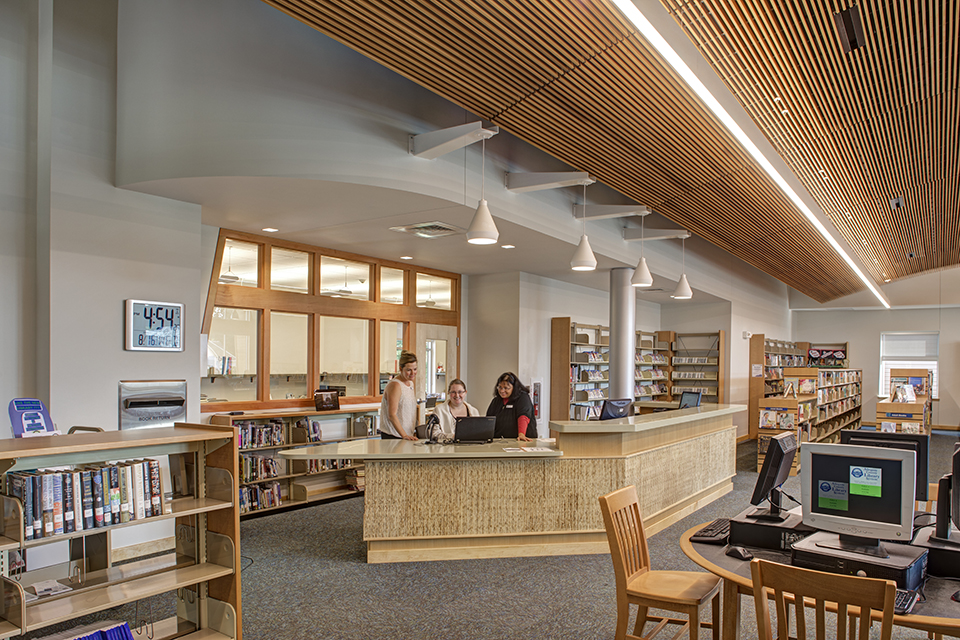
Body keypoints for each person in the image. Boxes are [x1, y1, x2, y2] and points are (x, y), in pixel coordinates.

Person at [485, 372, 537, 441]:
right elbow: (489, 420)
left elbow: (523, 416)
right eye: (500, 387)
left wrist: (521, 434)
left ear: (514, 388)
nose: (502, 391)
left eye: (506, 388)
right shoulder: (496, 401)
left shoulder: (523, 397)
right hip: (500, 441)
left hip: (520, 440)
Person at [378, 351, 418, 440]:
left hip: (406, 434)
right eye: (408, 370)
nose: (412, 373)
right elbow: (392, 415)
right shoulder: (395, 385)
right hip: (393, 435)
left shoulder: (410, 384)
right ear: (400, 368)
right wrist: (404, 435)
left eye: (415, 369)